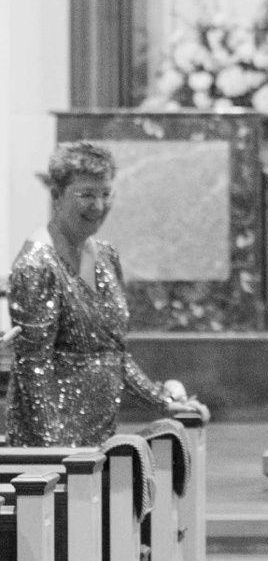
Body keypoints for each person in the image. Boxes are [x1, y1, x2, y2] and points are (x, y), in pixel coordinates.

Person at [5, 140, 198, 446]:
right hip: (53, 442)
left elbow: (113, 353)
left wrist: (161, 400)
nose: (98, 206)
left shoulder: (107, 256)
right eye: (86, 195)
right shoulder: (37, 265)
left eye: (105, 194)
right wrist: (53, 450)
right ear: (57, 196)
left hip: (99, 431)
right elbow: (33, 366)